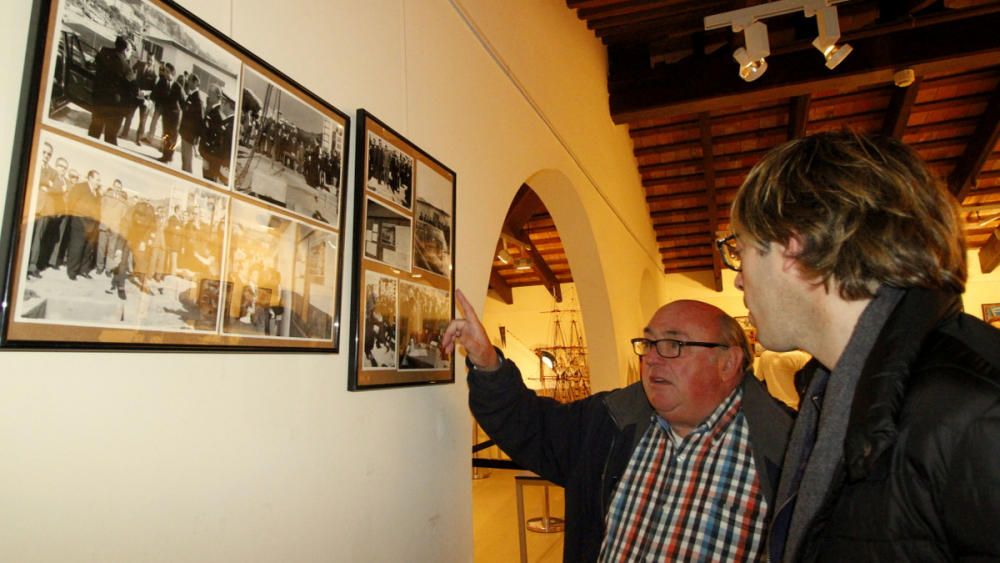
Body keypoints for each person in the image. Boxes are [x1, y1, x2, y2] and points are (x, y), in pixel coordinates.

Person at [719, 131, 1000, 561]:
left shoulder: (973, 409)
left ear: (794, 246)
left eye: (740, 251)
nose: (738, 277)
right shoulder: (831, 394)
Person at [442, 290, 792, 562]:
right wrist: (487, 362)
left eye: (673, 344)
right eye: (649, 342)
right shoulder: (611, 420)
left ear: (728, 362)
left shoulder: (789, 453)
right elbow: (531, 425)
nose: (651, 356)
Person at [87, 36, 135, 145]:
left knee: (94, 132)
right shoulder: (126, 67)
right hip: (114, 107)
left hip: (98, 101)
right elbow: (133, 88)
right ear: (125, 50)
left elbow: (93, 65)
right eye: (131, 51)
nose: (131, 54)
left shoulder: (103, 53)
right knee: (110, 137)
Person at [179, 73, 203, 173]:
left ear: (195, 83)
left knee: (187, 163)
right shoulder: (191, 95)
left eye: (189, 80)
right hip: (185, 133)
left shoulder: (197, 99)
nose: (188, 82)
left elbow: (199, 120)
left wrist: (196, 137)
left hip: (190, 136)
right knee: (184, 160)